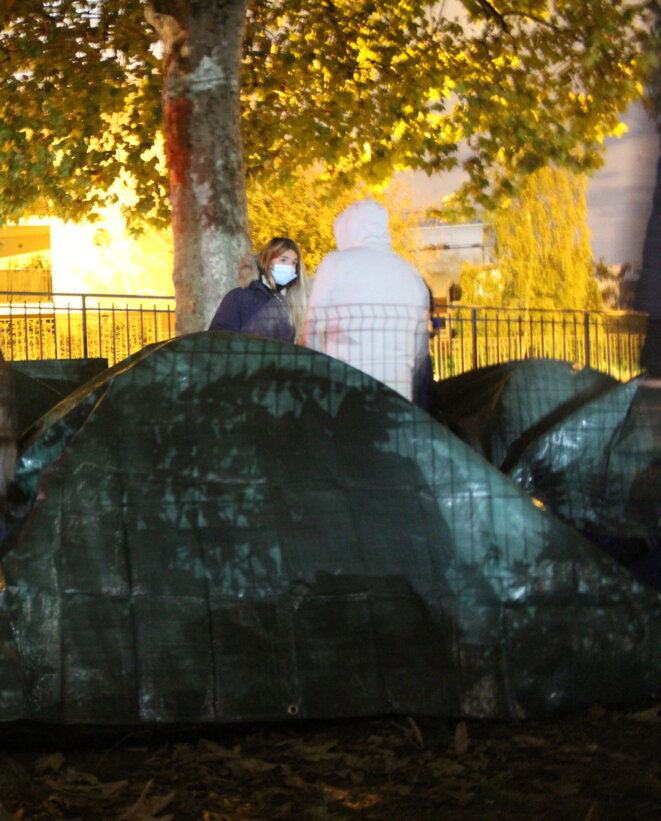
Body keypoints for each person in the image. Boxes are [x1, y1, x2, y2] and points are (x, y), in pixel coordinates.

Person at [303, 198, 430, 402]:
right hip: (397, 385)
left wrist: (317, 372)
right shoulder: (410, 273)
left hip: (346, 382)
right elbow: (420, 345)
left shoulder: (336, 263)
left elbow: (311, 328)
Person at [209, 237, 308, 342]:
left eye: (294, 263)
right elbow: (219, 341)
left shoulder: (288, 306)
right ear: (267, 261)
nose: (289, 267)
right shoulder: (239, 297)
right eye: (283, 260)